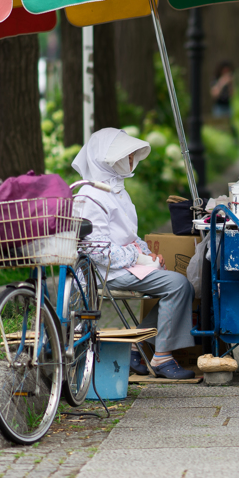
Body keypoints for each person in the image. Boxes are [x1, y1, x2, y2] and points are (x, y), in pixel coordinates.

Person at [73, 128, 197, 380]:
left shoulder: (115, 190)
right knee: (179, 285)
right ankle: (161, 357)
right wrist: (138, 257)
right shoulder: (90, 195)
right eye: (126, 155)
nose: (131, 160)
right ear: (108, 159)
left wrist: (147, 253)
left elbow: (129, 235)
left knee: (181, 285)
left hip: (124, 267)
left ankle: (134, 346)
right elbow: (96, 250)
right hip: (104, 273)